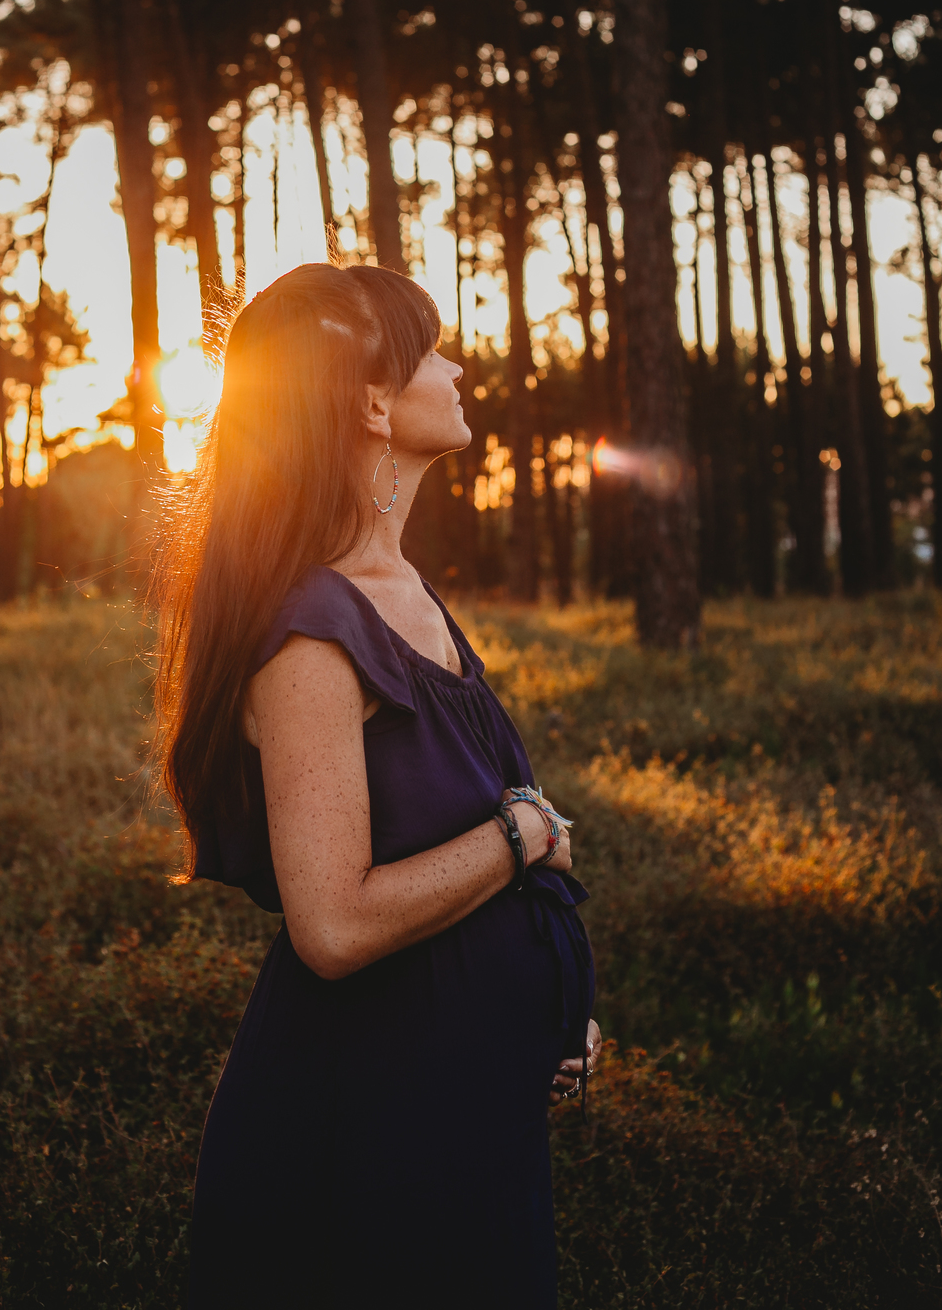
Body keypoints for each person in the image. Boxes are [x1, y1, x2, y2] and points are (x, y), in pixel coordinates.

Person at [155, 262, 598, 1310]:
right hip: (367, 1139)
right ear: (369, 402)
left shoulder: (411, 597)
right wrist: (523, 836)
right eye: (431, 349)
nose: (456, 366)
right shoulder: (312, 633)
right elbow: (337, 926)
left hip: (469, 1109)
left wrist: (552, 1018)